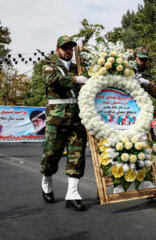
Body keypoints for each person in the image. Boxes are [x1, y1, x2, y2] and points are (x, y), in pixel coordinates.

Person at [40, 35, 88, 211]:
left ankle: (72, 195)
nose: (68, 51)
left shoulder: (79, 68)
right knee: (51, 153)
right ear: (57, 49)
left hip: (76, 117)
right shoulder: (49, 67)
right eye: (64, 47)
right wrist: (76, 80)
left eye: (70, 48)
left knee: (77, 154)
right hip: (56, 118)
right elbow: (52, 80)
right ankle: (46, 181)